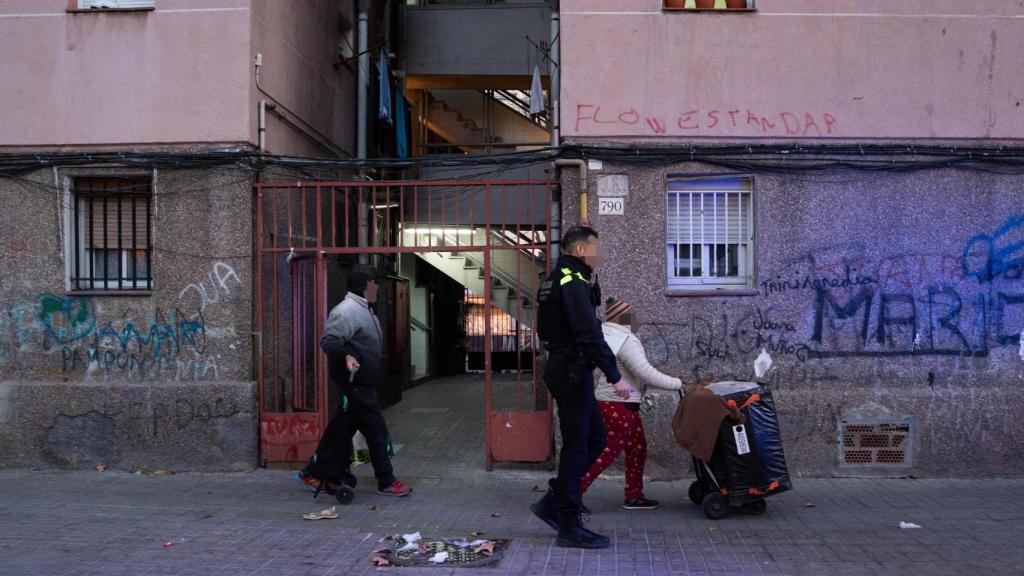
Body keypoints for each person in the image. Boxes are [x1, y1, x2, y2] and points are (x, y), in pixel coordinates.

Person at [530, 226, 622, 549]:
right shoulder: (571, 280)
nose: (599, 253)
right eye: (596, 246)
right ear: (580, 250)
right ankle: (569, 525)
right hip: (570, 370)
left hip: (569, 368)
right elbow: (588, 333)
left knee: (596, 438)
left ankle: (555, 500)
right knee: (576, 447)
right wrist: (615, 375)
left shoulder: (561, 277)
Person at [296, 268, 412, 498]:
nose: (377, 288)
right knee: (376, 431)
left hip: (363, 384)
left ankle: (314, 472)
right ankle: (386, 481)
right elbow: (329, 342)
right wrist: (347, 357)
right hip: (356, 386)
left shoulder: (366, 310)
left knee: (340, 431)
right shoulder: (346, 311)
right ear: (362, 287)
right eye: (373, 284)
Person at [579, 298, 683, 510]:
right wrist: (677, 383)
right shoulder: (623, 339)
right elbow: (644, 372)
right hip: (618, 403)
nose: (635, 319)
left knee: (637, 448)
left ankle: (634, 495)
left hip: (621, 403)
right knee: (606, 452)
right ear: (620, 317)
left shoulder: (608, 334)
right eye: (630, 315)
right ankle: (573, 492)